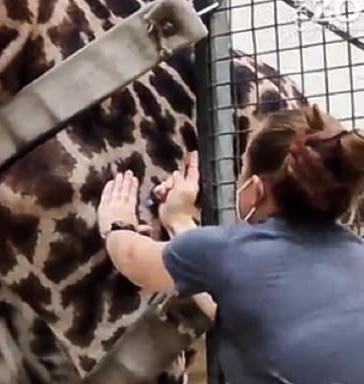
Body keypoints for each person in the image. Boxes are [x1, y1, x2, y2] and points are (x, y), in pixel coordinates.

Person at [96, 105, 364, 384]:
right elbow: (249, 311)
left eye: (242, 171)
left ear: (256, 190)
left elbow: (130, 258)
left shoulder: (230, 251)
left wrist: (116, 223)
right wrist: (178, 220)